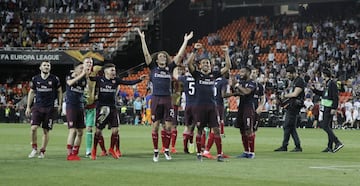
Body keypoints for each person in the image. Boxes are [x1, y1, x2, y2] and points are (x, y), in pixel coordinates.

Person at [137, 28, 193, 162]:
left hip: (167, 99)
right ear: (156, 60)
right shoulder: (153, 68)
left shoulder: (170, 68)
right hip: (156, 98)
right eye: (160, 56)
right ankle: (156, 152)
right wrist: (143, 39)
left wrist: (185, 41)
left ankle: (166, 150)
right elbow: (146, 55)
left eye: (164, 56)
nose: (162, 57)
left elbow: (179, 56)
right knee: (155, 126)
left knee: (168, 126)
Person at [90, 63, 145, 160]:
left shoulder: (116, 81)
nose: (114, 72)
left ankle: (111, 149)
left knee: (116, 130)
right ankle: (93, 150)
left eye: (114, 70)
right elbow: (89, 78)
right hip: (102, 108)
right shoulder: (99, 80)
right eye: (111, 70)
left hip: (112, 108)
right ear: (106, 71)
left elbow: (129, 83)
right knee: (98, 131)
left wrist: (140, 79)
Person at [188, 43, 231, 162]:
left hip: (212, 106)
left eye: (208, 63)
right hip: (199, 106)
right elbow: (188, 64)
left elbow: (228, 66)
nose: (206, 64)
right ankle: (199, 153)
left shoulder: (214, 75)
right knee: (200, 130)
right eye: (204, 63)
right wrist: (195, 50)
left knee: (216, 130)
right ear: (200, 65)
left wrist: (226, 53)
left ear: (210, 65)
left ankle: (219, 155)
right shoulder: (197, 75)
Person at [26, 61, 63, 159]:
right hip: (37, 107)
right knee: (33, 128)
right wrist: (28, 106)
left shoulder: (55, 79)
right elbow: (32, 92)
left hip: (50, 108)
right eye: (44, 65)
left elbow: (59, 91)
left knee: (45, 131)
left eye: (48, 65)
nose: (46, 67)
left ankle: (42, 151)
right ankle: (34, 148)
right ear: (40, 67)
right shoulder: (35, 79)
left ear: (50, 68)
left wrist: (59, 104)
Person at [311, 69, 344, 153]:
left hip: (329, 107)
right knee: (328, 127)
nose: (322, 77)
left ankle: (337, 142)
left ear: (325, 75)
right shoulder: (328, 84)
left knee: (324, 125)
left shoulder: (332, 83)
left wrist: (334, 108)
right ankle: (329, 147)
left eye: (322, 75)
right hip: (326, 107)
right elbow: (324, 94)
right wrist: (314, 90)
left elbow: (335, 96)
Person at [274, 65, 304, 152]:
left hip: (295, 106)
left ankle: (288, 146)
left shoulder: (299, 81)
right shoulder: (294, 81)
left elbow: (295, 94)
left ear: (294, 73)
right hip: (291, 105)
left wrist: (284, 96)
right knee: (290, 127)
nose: (288, 77)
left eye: (289, 75)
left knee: (287, 125)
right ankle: (292, 146)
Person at [65, 61, 89, 160]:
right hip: (71, 106)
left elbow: (85, 91)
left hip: (80, 106)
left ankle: (75, 153)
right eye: (80, 68)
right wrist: (83, 74)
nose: (82, 70)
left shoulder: (84, 80)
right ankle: (69, 154)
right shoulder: (69, 77)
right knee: (73, 130)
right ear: (75, 69)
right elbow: (70, 83)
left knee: (80, 132)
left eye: (83, 68)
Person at [83, 58, 106, 158]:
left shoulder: (95, 72)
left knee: (90, 128)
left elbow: (105, 70)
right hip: (79, 105)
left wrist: (97, 94)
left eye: (90, 63)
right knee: (77, 130)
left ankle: (89, 150)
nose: (89, 64)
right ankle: (72, 151)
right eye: (87, 62)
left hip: (92, 105)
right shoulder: (78, 73)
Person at [173, 66, 196, 154]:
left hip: (188, 105)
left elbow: (175, 76)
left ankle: (186, 148)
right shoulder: (198, 77)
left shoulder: (184, 78)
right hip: (198, 105)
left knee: (187, 127)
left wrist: (174, 66)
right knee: (198, 128)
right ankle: (197, 147)